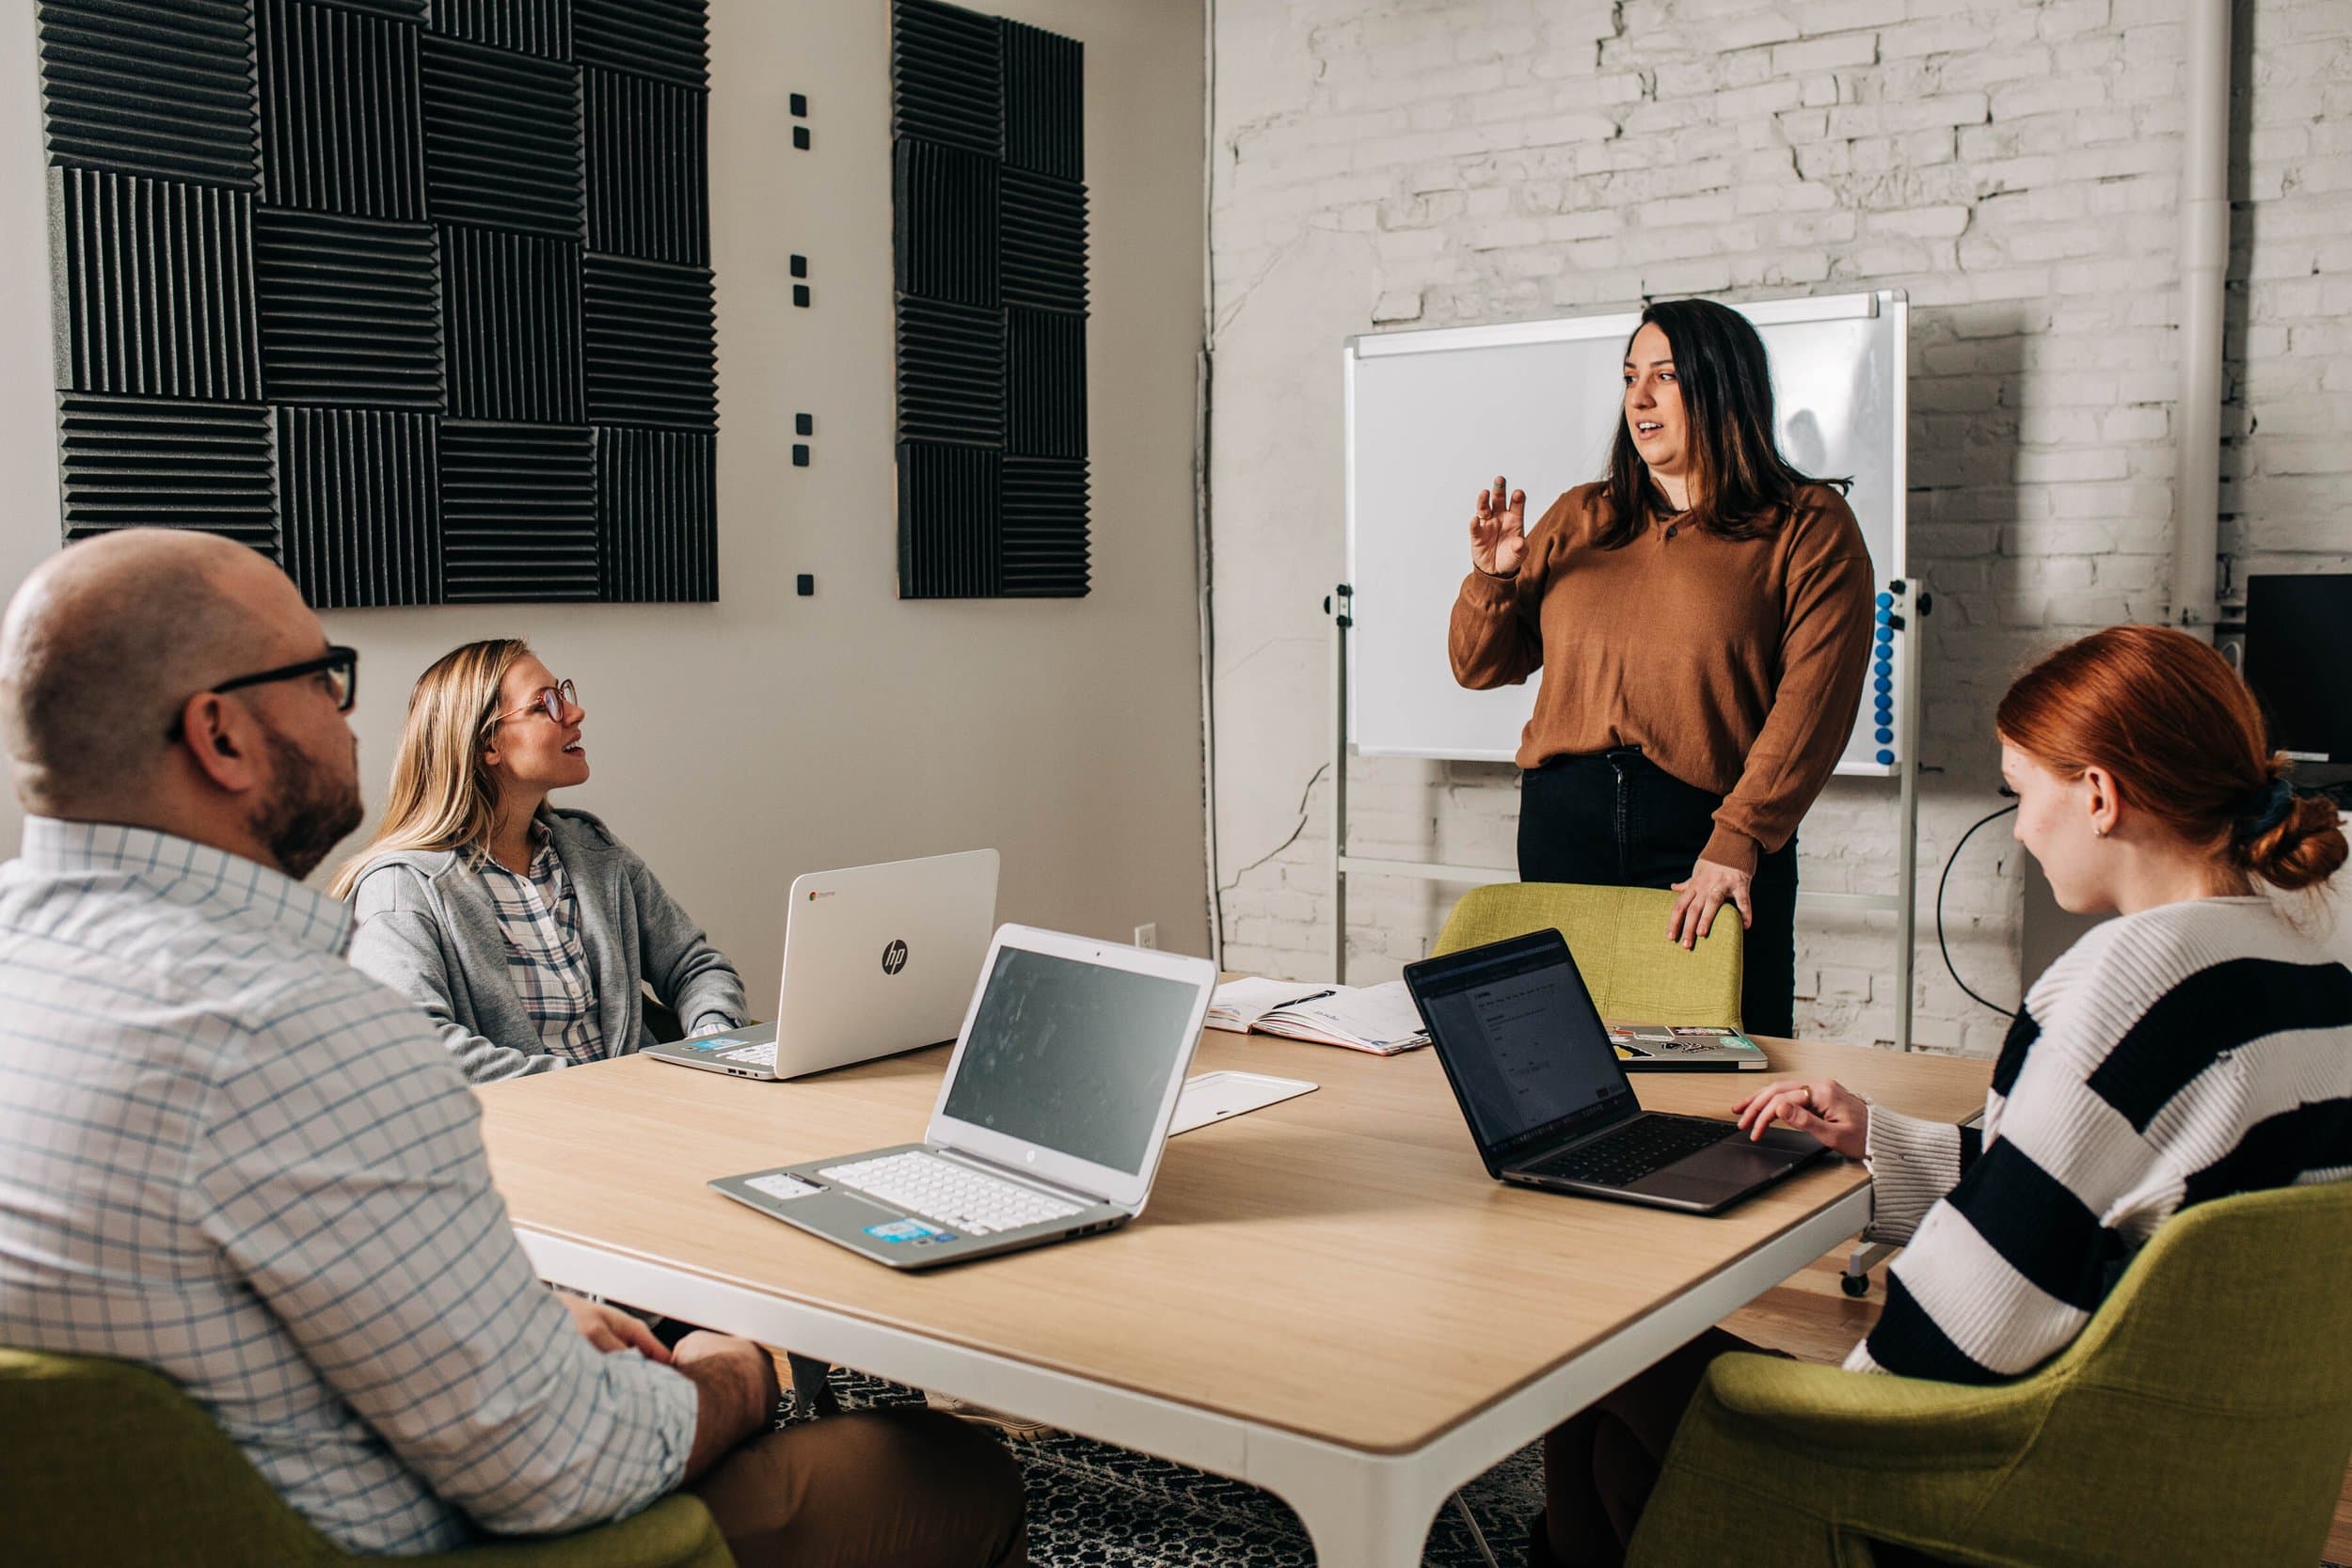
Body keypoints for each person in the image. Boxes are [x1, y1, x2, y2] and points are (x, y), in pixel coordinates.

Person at [0, 530, 1025, 1567]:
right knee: (948, 1469)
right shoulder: (296, 1031)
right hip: (463, 1530)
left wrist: (532, 1316)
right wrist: (740, 1366)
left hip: (233, 1490)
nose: (350, 713)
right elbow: (573, 1462)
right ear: (219, 734)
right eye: (323, 677)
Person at [1532, 624, 2352, 1568]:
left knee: (1596, 1357)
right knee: (1613, 1460)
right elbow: (2132, 1207)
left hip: (2028, 1489)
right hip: (2190, 1473)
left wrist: (1832, 1426)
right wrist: (1879, 1138)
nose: (2015, 827)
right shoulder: (2307, 960)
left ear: (2097, 794)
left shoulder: (2124, 983)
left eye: (2020, 793)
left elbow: (1969, 1325)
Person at [1449, 297, 1876, 1038]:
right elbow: (1480, 666)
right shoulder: (1582, 517)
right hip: (1563, 822)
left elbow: (1814, 707)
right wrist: (1491, 578)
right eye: (1629, 377)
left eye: (1666, 376)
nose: (1638, 398)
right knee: (1563, 1052)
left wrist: (1737, 839)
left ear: (1721, 385)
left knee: (1723, 1056)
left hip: (1706, 833)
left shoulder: (1807, 526)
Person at [330, 639, 750, 1082]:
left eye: (563, 693)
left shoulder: (595, 852)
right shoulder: (401, 888)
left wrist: (712, 1041)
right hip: (527, 1137)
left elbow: (696, 967)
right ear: (486, 745)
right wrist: (600, 1091)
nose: (574, 712)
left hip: (653, 1112)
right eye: (545, 704)